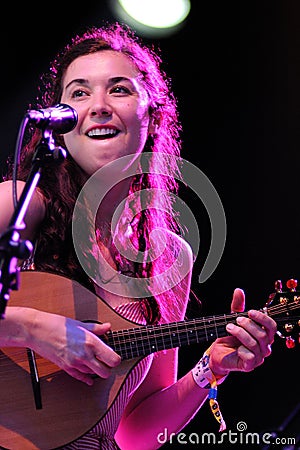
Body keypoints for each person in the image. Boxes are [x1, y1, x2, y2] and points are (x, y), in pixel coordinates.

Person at [0, 22, 276, 450]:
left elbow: (134, 433)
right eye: (78, 93)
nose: (98, 106)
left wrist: (211, 368)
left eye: (119, 89)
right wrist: (32, 328)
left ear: (153, 112)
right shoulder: (20, 205)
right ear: (60, 123)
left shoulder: (168, 259)